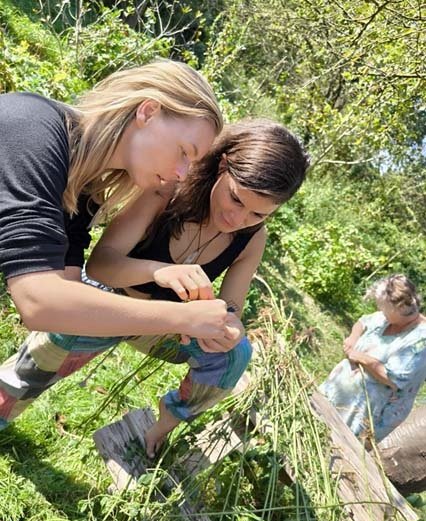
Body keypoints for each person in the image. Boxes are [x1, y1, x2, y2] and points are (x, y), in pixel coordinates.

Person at [0, 120, 309, 455]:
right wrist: (159, 271)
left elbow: (232, 306)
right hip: (109, 305)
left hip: (168, 330)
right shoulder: (167, 191)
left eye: (257, 214)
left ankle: (160, 427)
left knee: (235, 355)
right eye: (235, 199)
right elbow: (100, 265)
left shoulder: (253, 238)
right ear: (222, 166)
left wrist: (230, 326)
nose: (238, 218)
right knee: (29, 373)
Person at [0, 58, 227, 344]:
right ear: (148, 112)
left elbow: (65, 301)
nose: (181, 175)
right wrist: (182, 318)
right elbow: (38, 301)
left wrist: (179, 317)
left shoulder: (84, 190)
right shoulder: (33, 127)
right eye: (184, 152)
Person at [319, 274, 426, 444]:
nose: (379, 310)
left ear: (397, 308)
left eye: (382, 307)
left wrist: (359, 356)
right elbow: (363, 322)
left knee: (330, 448)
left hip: (363, 413)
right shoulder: (385, 317)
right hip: (335, 394)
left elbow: (392, 378)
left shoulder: (421, 340)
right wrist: (353, 338)